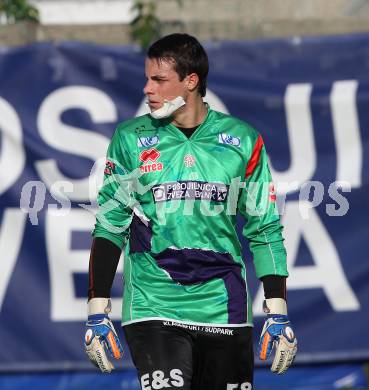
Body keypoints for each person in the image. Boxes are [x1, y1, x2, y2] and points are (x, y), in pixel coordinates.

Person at [84, 33, 297, 389]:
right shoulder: (130, 138)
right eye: (147, 78)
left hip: (224, 306)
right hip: (154, 304)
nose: (147, 89)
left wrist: (277, 311)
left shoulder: (243, 140)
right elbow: (110, 225)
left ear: (191, 81)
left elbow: (264, 228)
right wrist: (96, 310)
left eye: (159, 80)